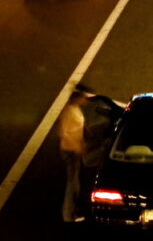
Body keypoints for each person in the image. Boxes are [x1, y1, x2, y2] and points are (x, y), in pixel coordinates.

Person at [57, 90, 87, 223]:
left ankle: (72, 212)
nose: (84, 101)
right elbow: (65, 133)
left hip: (73, 150)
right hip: (71, 151)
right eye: (83, 98)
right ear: (77, 99)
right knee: (72, 184)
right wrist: (77, 148)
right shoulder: (70, 112)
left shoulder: (73, 109)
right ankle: (69, 215)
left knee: (75, 182)